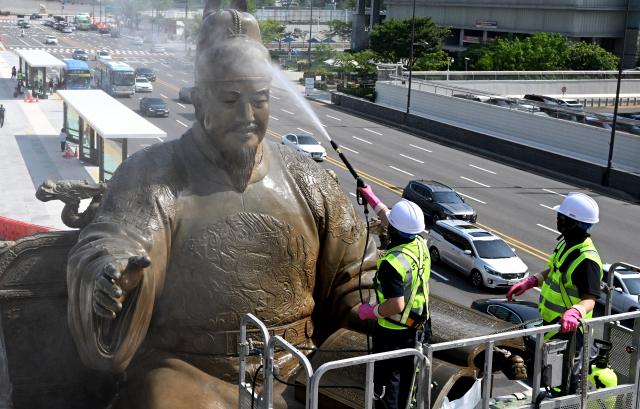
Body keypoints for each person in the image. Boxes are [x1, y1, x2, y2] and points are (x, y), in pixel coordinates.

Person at [65, 6, 378, 408]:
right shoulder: (155, 175)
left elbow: (355, 274)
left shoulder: (309, 179)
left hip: (300, 364)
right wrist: (112, 275)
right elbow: (116, 242)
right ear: (199, 101)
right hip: (187, 369)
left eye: (259, 100)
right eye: (230, 100)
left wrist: (370, 308)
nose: (248, 116)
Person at [506, 192, 602, 396]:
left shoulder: (587, 259)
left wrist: (575, 312)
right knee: (551, 373)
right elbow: (555, 269)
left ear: (574, 222)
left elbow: (590, 299)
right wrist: (531, 282)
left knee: (566, 379)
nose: (559, 220)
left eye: (562, 217)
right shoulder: (567, 244)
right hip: (555, 325)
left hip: (570, 330)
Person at [357, 188, 430, 409]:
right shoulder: (420, 246)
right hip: (417, 328)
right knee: (408, 386)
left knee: (388, 387)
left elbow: (395, 305)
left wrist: (370, 311)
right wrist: (371, 197)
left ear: (394, 229)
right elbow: (393, 219)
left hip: (392, 332)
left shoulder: (392, 262)